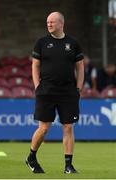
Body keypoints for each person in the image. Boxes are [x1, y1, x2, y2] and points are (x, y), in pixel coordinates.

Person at [26, 11, 84, 174]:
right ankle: (31, 156)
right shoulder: (41, 43)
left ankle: (68, 165)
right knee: (44, 128)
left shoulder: (73, 43)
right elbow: (35, 66)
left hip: (68, 92)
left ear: (61, 24)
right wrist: (37, 86)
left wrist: (78, 88)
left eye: (52, 22)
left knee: (68, 126)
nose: (49, 24)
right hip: (46, 91)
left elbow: (80, 67)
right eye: (47, 22)